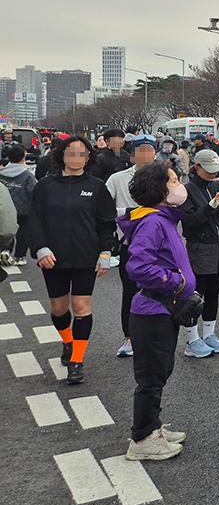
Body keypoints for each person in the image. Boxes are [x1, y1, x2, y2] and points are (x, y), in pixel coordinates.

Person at [119, 164, 196, 461]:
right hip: (153, 310)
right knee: (151, 377)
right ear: (159, 189)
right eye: (173, 181)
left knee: (160, 371)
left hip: (163, 309)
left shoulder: (163, 219)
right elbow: (139, 266)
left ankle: (152, 427)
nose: (179, 185)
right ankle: (141, 438)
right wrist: (176, 282)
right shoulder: (153, 222)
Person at [25, 137, 117, 384]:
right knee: (58, 308)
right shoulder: (44, 186)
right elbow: (34, 220)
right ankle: (67, 341)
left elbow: (106, 223)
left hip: (85, 257)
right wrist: (40, 248)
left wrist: (106, 252)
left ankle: (77, 360)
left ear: (89, 158)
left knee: (82, 307)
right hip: (52, 258)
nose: (77, 158)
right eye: (71, 153)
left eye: (82, 153)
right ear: (62, 155)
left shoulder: (97, 187)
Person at [107, 135, 160, 358]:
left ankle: (153, 337)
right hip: (129, 245)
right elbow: (104, 208)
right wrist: (128, 214)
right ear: (132, 154)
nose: (146, 155)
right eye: (141, 150)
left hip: (158, 246)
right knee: (130, 291)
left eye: (149, 150)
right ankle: (129, 337)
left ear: (155, 154)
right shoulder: (117, 179)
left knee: (157, 291)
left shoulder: (164, 176)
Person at [179, 149, 219, 357]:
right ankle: (192, 339)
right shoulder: (187, 190)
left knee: (214, 293)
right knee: (196, 295)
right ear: (197, 167)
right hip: (199, 247)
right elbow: (190, 222)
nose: (213, 174)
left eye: (215, 170)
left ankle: (210, 334)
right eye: (209, 170)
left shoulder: (218, 186)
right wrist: (211, 206)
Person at [0, 144, 38, 265]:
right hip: (23, 210)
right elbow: (34, 192)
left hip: (4, 209)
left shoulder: (1, 173)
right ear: (23, 158)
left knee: (6, 230)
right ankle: (19, 256)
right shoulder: (27, 175)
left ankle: (5, 250)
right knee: (23, 234)